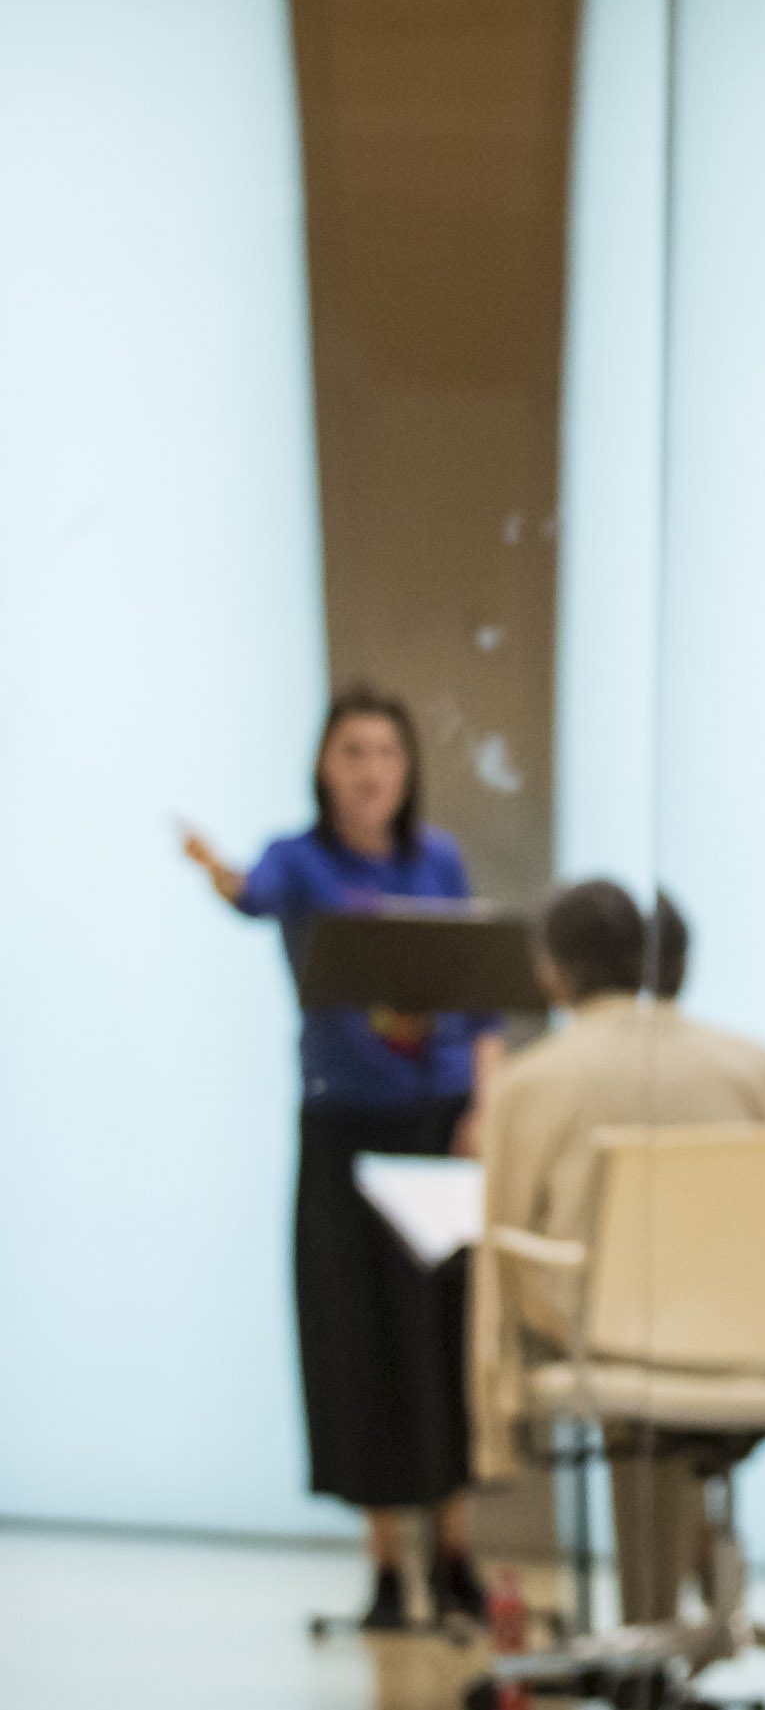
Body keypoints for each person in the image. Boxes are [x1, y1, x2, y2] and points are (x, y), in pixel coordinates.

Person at [178, 682, 499, 1634]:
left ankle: (457, 1553)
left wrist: (488, 1103)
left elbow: (480, 996)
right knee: (354, 1338)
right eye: (352, 751)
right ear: (325, 763)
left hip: (438, 1126)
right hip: (342, 1126)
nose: (369, 771)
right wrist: (212, 869)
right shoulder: (299, 860)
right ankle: (385, 1568)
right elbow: (249, 895)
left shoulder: (436, 860)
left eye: (386, 753)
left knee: (446, 1336)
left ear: (409, 768)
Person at [469, 881, 765, 1624]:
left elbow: (501, 1251)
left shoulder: (535, 1079)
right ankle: (683, 1578)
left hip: (611, 1335)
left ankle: (650, 1626)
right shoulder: (756, 1066)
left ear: (552, 971)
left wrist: (496, 1416)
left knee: (609, 1318)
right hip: (750, 1333)